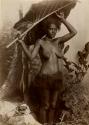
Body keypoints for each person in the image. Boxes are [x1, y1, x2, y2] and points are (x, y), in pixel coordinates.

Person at [18, 12, 77, 125]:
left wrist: (63, 19)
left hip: (57, 78)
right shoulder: (40, 42)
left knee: (53, 105)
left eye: (55, 29)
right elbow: (30, 57)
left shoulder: (58, 41)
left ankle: (50, 123)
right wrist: (22, 43)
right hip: (44, 78)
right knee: (45, 105)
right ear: (46, 30)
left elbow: (74, 32)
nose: (53, 31)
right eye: (51, 29)